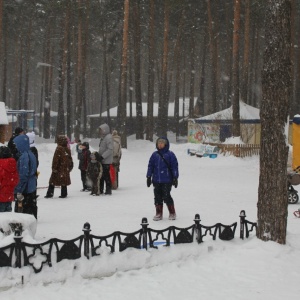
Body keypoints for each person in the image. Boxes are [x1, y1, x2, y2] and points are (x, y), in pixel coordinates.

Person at [146, 137, 179, 221]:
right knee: (157, 197)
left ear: (166, 144)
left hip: (167, 180)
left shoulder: (170, 154)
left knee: (166, 195)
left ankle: (172, 212)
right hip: (156, 180)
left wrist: (175, 177)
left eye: (162, 143)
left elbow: (174, 167)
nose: (160, 144)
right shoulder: (154, 155)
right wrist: (149, 176)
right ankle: (158, 213)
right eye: (158, 143)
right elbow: (150, 166)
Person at [13, 134, 38, 218]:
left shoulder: (24, 157)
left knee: (22, 209)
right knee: (31, 205)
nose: (16, 147)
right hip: (31, 185)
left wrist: (18, 189)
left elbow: (23, 175)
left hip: (26, 187)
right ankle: (33, 217)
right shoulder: (30, 154)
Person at [0, 146, 19, 213]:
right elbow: (16, 180)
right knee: (7, 219)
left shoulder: (1, 165)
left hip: (1, 197)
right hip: (9, 196)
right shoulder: (13, 164)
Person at [98, 123, 113, 195]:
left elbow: (110, 149)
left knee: (106, 175)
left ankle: (108, 190)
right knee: (101, 175)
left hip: (106, 161)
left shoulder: (108, 137)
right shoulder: (103, 137)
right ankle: (100, 189)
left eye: (101, 130)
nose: (100, 131)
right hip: (102, 160)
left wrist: (102, 156)